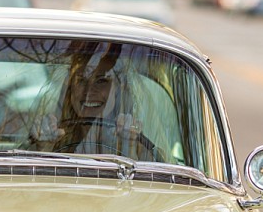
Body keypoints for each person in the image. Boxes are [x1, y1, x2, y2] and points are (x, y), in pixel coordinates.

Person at [23, 46, 160, 160]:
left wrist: (128, 147)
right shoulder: (54, 135)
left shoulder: (141, 146)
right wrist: (44, 147)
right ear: (70, 88)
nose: (88, 93)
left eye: (101, 81)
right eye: (81, 80)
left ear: (118, 90)